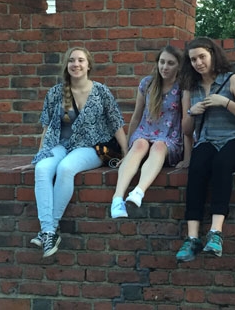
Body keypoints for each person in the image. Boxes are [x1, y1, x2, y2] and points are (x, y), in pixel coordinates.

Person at [15, 47, 128, 258]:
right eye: (72, 61)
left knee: (66, 168)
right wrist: (39, 155)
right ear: (67, 66)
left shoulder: (101, 91)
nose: (76, 64)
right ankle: (49, 231)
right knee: (42, 169)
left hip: (91, 147)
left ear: (88, 65)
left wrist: (126, 153)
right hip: (61, 145)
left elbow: (116, 124)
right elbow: (47, 128)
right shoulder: (56, 92)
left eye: (81, 60)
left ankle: (48, 230)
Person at [175, 37, 235, 262]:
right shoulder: (189, 88)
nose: (198, 63)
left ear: (213, 55)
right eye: (193, 59)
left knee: (222, 163)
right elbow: (186, 129)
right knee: (198, 166)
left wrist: (226, 103)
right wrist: (192, 112)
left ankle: (215, 233)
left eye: (202, 57)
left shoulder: (232, 80)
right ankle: (192, 237)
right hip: (207, 141)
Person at [110, 46, 191, 218]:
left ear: (179, 66)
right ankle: (117, 199)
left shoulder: (183, 87)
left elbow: (186, 122)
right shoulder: (147, 83)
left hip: (170, 137)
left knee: (159, 147)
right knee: (139, 144)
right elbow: (136, 116)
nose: (165, 67)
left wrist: (187, 157)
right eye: (162, 62)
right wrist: (126, 151)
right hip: (144, 132)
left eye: (170, 63)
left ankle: (138, 192)